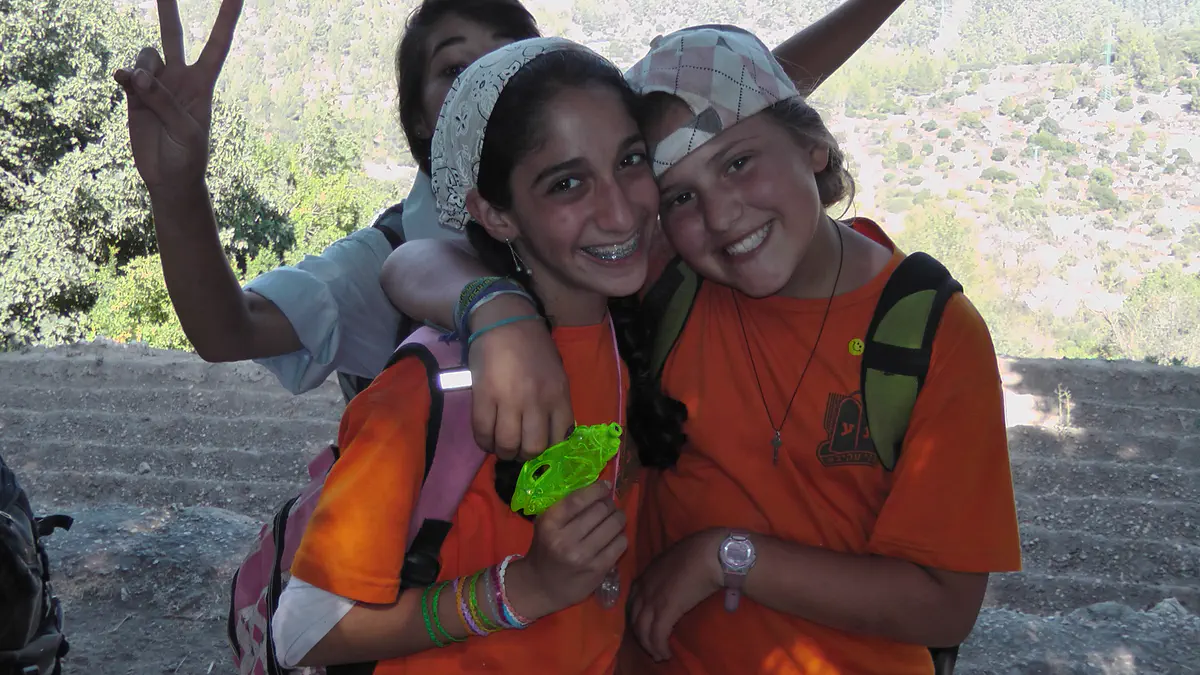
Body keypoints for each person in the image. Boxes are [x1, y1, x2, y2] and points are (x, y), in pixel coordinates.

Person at [380, 26, 1022, 675]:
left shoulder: (927, 333)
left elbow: (946, 606)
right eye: (680, 196)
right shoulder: (673, 280)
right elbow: (411, 261)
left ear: (814, 146)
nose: (721, 216)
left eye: (738, 163)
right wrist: (496, 311)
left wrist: (728, 558)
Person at [113, 0, 909, 402]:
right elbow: (229, 328)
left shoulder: (618, 186)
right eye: (456, 69)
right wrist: (178, 190)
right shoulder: (390, 254)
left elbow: (733, 103)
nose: (497, 86)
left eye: (515, 58)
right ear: (422, 118)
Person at [269, 37, 686, 673]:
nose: (620, 208)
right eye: (567, 183)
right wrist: (523, 590)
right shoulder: (441, 382)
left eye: (629, 161)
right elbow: (305, 630)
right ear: (494, 214)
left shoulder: (624, 337)